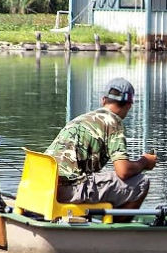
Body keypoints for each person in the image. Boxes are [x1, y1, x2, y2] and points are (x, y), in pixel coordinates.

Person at [45, 77, 157, 220]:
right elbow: (123, 171)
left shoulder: (81, 119)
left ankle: (94, 219)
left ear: (103, 100)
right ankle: (117, 231)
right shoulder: (113, 122)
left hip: (47, 186)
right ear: (129, 105)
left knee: (104, 179)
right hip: (68, 190)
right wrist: (144, 162)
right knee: (141, 182)